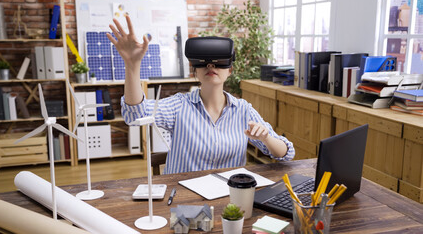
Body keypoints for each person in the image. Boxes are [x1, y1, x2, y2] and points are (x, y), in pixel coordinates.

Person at [107, 16, 295, 174]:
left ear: (230, 70)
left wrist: (266, 138)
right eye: (203, 63)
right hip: (182, 196)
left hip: (227, 199)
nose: (210, 66)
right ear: (195, 71)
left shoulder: (243, 110)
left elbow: (285, 153)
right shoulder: (179, 106)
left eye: (218, 62)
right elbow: (135, 116)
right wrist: (132, 65)